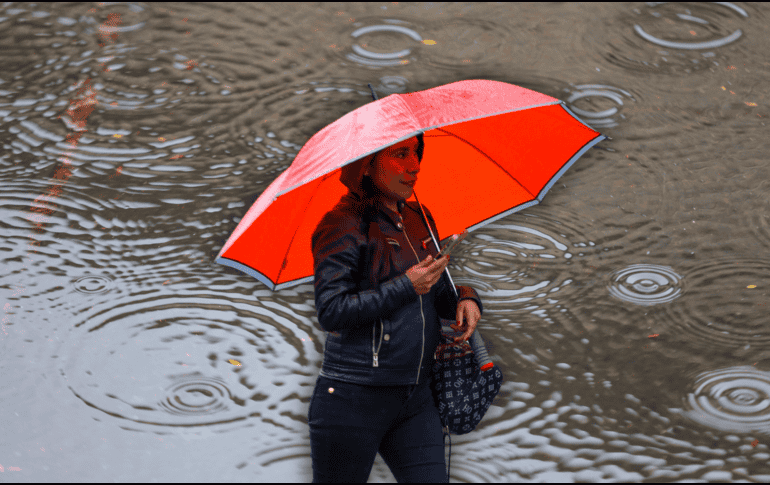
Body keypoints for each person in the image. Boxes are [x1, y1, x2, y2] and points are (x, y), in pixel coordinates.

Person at [308, 133, 484, 482]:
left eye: (416, 152)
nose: (414, 166)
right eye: (400, 154)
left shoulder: (419, 216)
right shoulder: (341, 225)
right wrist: (406, 286)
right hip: (352, 398)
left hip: (415, 398)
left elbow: (437, 292)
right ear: (366, 164)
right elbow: (332, 311)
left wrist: (466, 297)